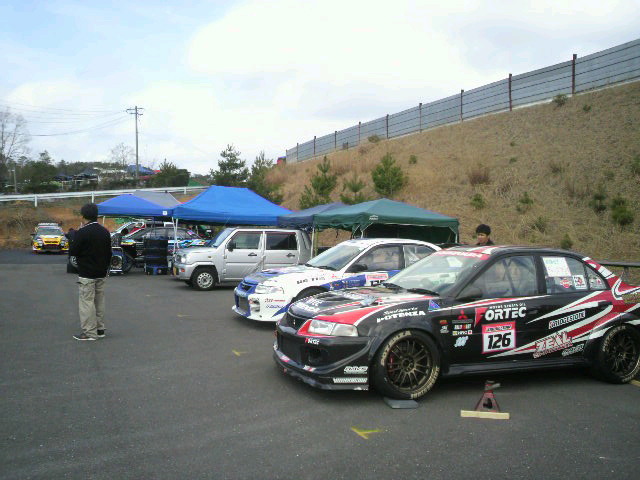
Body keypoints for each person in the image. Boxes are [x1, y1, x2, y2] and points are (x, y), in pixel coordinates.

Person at [69, 203, 112, 341]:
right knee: (99, 301)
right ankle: (100, 329)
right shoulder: (104, 232)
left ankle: (89, 332)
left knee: (87, 302)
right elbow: (109, 253)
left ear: (83, 216)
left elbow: (73, 251)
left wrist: (73, 237)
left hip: (87, 273)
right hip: (101, 272)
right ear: (96, 215)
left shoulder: (82, 232)